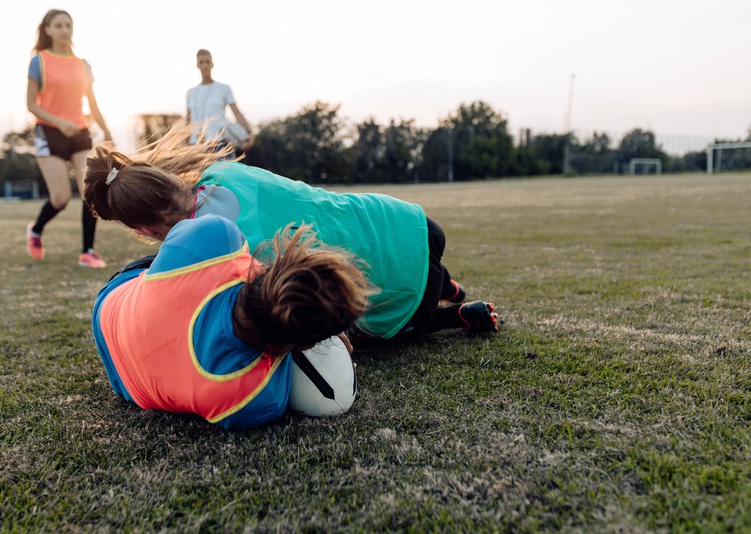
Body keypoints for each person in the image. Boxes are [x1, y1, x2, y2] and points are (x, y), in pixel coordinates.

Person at [82, 126, 500, 346]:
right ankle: (447, 284)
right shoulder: (225, 171)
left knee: (339, 317)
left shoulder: (210, 246)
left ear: (145, 230)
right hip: (410, 223)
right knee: (406, 257)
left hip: (405, 297)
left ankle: (451, 310)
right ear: (166, 174)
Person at [92, 214, 370, 429]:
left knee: (175, 260)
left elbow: (178, 237)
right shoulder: (257, 400)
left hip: (109, 307)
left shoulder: (214, 234)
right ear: (307, 343)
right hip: (124, 382)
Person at [25, 9, 112, 268]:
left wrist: (107, 132)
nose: (65, 30)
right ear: (48, 30)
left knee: (91, 192)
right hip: (48, 133)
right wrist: (59, 122)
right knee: (61, 198)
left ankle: (88, 251)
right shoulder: (39, 61)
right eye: (59, 25)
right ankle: (36, 230)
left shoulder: (82, 64)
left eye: (68, 25)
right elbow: (31, 104)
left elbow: (93, 105)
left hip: (79, 133)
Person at [186, 49, 255, 154]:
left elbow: (237, 113)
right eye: (201, 62)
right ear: (197, 65)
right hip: (196, 146)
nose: (205, 65)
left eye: (207, 62)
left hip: (220, 144)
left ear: (212, 64)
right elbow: (188, 121)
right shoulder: (191, 93)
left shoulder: (224, 89)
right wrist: (184, 145)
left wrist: (250, 132)